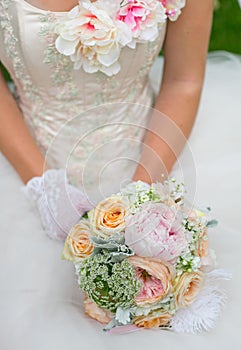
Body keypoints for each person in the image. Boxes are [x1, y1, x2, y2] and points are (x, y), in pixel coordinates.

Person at [0, 0, 241, 349]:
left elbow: (184, 80)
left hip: (156, 149)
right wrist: (44, 187)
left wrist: (138, 200)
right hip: (23, 156)